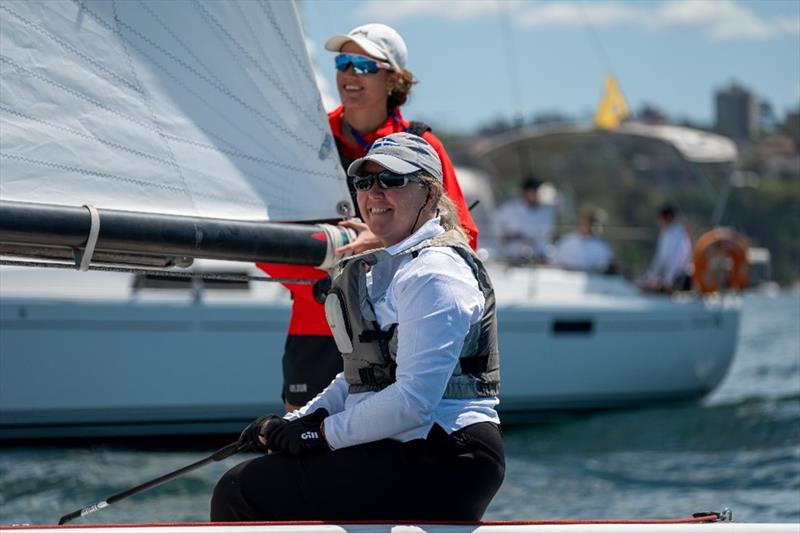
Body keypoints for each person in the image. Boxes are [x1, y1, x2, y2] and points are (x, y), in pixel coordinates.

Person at [211, 133, 504, 522]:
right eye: (365, 182)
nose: (375, 193)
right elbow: (361, 377)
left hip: (449, 457)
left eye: (393, 181)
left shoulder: (434, 273)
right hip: (410, 446)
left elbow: (413, 403)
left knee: (243, 490)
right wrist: (297, 422)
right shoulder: (390, 266)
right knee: (258, 480)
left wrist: (320, 434)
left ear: (431, 195)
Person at [257, 23, 478, 412]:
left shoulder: (423, 146)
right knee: (302, 452)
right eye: (343, 62)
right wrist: (328, 276)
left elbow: (464, 237)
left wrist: (381, 242)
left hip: (397, 326)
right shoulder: (308, 142)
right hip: (318, 320)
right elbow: (264, 234)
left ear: (394, 78)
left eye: (363, 65)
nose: (348, 74)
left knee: (382, 453)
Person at [496, 176, 555, 264]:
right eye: (534, 191)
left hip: (538, 260)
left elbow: (546, 238)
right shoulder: (509, 209)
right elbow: (497, 233)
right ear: (525, 192)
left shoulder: (547, 212)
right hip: (511, 260)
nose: (536, 195)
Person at [642, 204, 693, 293]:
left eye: (661, 219)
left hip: (681, 278)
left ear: (668, 217)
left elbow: (677, 259)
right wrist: (649, 277)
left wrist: (668, 282)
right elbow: (659, 259)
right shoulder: (665, 234)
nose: (659, 222)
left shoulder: (679, 234)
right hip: (670, 279)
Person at [551, 206, 614, 272]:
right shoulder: (567, 241)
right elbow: (555, 261)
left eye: (591, 223)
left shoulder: (601, 246)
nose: (587, 226)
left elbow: (606, 264)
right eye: (586, 222)